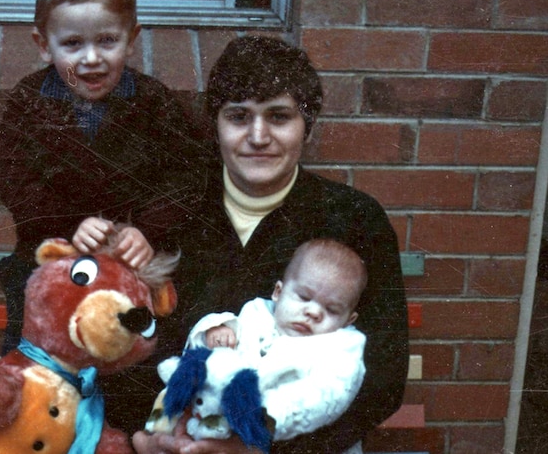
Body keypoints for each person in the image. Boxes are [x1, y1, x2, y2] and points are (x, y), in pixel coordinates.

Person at [119, 35, 409, 454]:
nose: (258, 136)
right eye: (239, 116)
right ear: (215, 124)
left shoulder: (354, 219)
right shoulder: (169, 215)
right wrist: (142, 436)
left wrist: (260, 449)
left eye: (278, 117)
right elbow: (123, 340)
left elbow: (383, 376)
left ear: (306, 126)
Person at [0, 0, 202, 354]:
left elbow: (187, 177)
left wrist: (148, 232)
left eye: (107, 41)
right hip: (50, 264)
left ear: (132, 39)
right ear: (43, 45)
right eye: (72, 44)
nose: (91, 59)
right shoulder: (29, 101)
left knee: (138, 363)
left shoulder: (153, 102)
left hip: (130, 269)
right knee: (34, 369)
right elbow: (11, 177)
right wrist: (71, 224)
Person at [150, 239, 368, 452]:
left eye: (331, 310)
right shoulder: (257, 313)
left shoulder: (341, 349)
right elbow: (212, 357)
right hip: (221, 421)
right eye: (303, 297)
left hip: (290, 436)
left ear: (349, 320)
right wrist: (215, 330)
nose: (313, 312)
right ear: (278, 292)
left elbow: (326, 395)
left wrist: (268, 413)